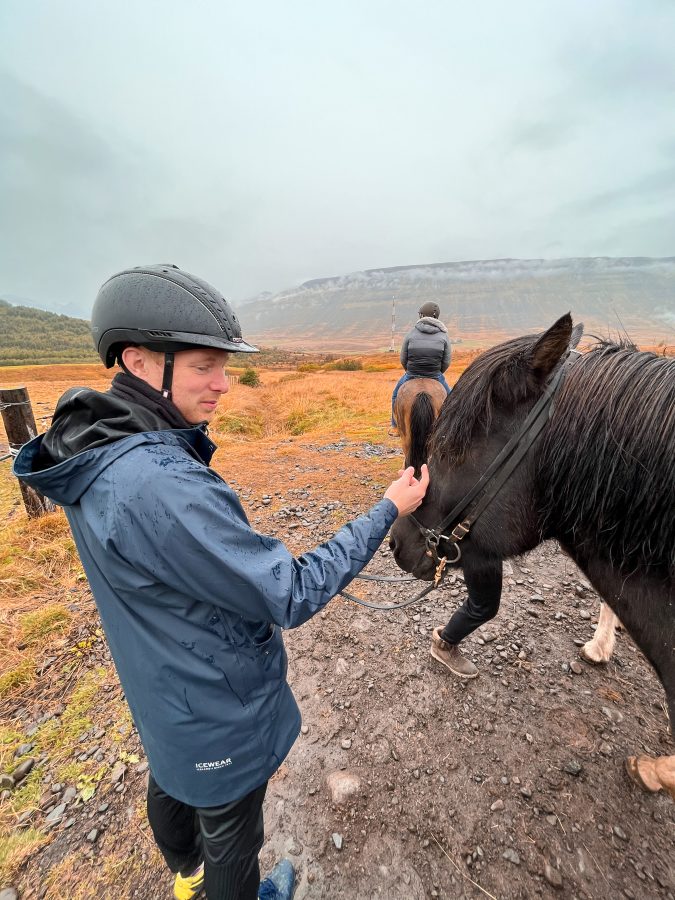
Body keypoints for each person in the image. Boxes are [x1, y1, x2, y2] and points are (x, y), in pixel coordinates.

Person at [14, 264, 429, 900]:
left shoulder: (95, 444)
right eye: (206, 365)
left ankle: (185, 879)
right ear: (142, 361)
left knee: (174, 785)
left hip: (161, 691)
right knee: (234, 839)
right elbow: (289, 591)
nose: (224, 384)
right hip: (214, 709)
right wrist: (385, 509)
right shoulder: (158, 483)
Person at [390, 301, 451, 434]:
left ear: (421, 315)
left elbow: (403, 358)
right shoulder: (443, 336)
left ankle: (394, 425)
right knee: (452, 398)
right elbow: (446, 361)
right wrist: (437, 373)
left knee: (395, 395)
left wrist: (410, 371)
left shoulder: (411, 333)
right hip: (435, 374)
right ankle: (450, 427)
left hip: (412, 373)